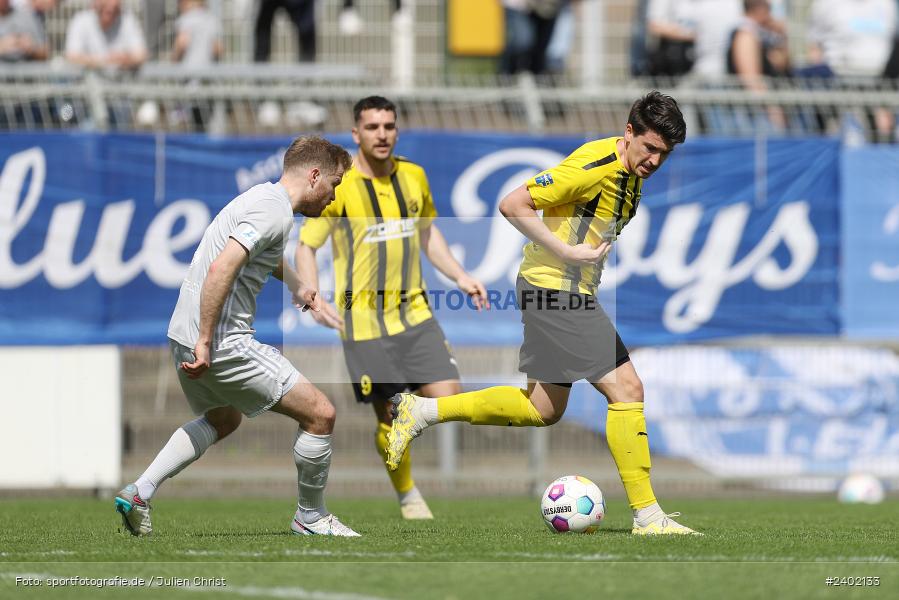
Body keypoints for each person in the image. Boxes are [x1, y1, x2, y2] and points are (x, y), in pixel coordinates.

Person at [385, 91, 702, 536]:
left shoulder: (631, 174)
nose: (654, 160)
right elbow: (513, 203)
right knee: (628, 388)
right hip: (556, 292)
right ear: (629, 132)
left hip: (559, 291)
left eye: (663, 155)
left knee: (542, 408)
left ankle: (421, 411)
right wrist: (566, 250)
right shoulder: (594, 167)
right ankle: (648, 516)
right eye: (649, 148)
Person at [115, 136, 361, 538]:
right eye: (334, 184)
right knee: (321, 414)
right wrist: (208, 340)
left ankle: (140, 492)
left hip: (182, 331)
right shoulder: (273, 212)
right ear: (314, 176)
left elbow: (259, 252)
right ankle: (311, 518)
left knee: (223, 418)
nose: (334, 196)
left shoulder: (263, 199)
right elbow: (222, 269)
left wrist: (299, 285)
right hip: (221, 340)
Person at [296, 96, 488, 520]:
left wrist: (460, 276)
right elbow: (306, 246)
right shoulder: (341, 186)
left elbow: (428, 235)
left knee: (448, 396)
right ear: (356, 134)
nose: (381, 134)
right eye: (372, 127)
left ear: (396, 130)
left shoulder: (414, 177)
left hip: (416, 315)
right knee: (391, 419)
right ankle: (408, 495)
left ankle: (404, 428)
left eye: (388, 126)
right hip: (364, 325)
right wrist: (312, 294)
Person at [65, 0, 147, 71]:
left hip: (122, 82)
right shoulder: (81, 20)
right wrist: (103, 61)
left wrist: (125, 59)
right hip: (87, 83)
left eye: (114, 9)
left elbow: (141, 55)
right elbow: (72, 56)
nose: (110, 12)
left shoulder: (128, 20)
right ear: (95, 5)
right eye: (105, 8)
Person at [173, 0, 223, 66]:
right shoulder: (212, 20)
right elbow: (218, 49)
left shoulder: (186, 20)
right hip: (208, 68)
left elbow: (182, 44)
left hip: (188, 68)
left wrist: (173, 61)